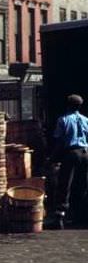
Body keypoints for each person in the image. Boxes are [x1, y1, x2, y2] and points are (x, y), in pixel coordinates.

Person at [51, 94, 88, 229]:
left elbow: (60, 141)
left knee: (64, 185)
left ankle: (60, 216)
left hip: (71, 154)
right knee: (82, 184)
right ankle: (81, 215)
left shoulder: (63, 120)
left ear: (68, 105)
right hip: (85, 153)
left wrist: (53, 157)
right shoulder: (85, 120)